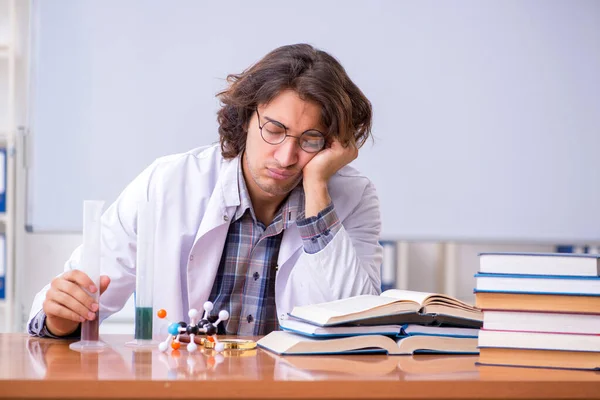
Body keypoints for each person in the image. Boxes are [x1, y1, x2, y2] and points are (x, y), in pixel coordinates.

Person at [28, 43, 383, 338]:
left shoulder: (352, 199)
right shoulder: (167, 184)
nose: (287, 156)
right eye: (274, 129)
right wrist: (61, 318)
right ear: (247, 118)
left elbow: (356, 327)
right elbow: (69, 305)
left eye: (310, 140)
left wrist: (317, 186)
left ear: (332, 145)